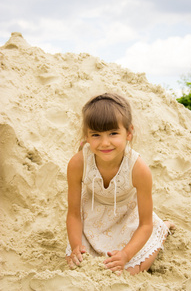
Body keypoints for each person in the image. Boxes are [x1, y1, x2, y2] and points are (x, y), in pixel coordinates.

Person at [66, 92, 174, 275]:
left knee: (132, 270)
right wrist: (76, 246)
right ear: (86, 136)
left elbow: (145, 224)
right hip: (93, 218)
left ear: (129, 133)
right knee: (79, 262)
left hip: (129, 219)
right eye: (96, 135)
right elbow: (74, 214)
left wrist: (125, 254)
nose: (105, 142)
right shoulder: (78, 163)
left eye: (113, 133)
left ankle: (163, 228)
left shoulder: (138, 169)